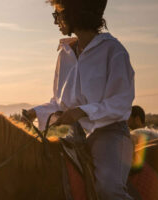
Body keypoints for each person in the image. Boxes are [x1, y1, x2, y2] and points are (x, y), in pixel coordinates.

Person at [23, 0, 135, 199]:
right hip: (71, 133)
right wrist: (35, 112)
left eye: (58, 14)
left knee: (108, 190)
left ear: (75, 13)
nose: (56, 21)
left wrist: (83, 111)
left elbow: (121, 101)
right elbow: (59, 103)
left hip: (108, 132)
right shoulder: (64, 54)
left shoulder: (114, 50)